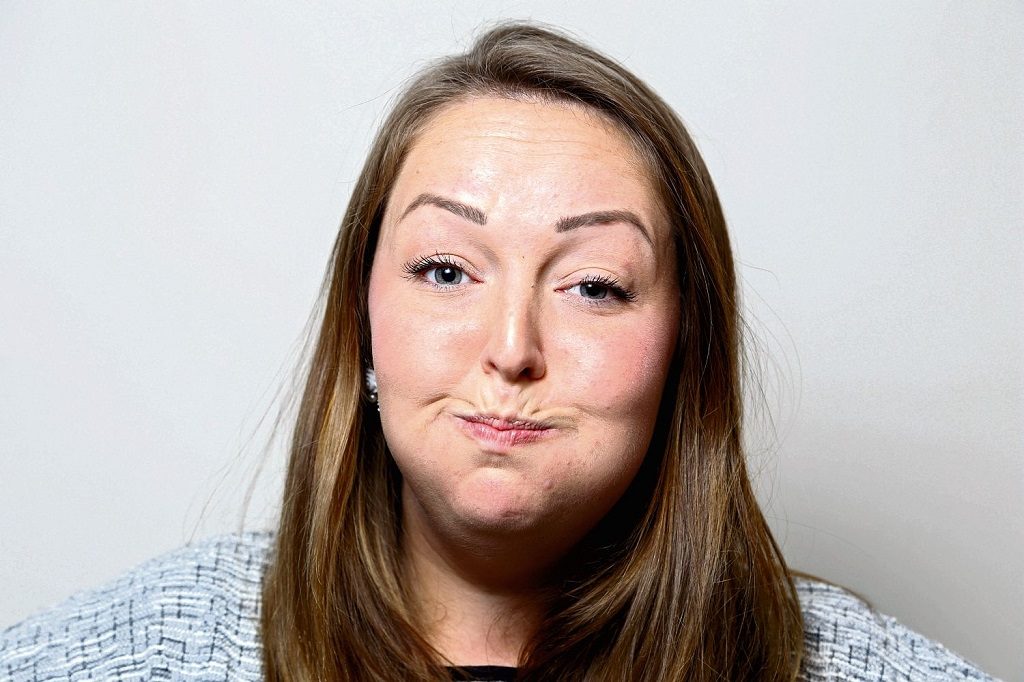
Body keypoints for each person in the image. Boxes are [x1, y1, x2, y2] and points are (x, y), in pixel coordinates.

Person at [0, 22, 996, 682]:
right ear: (362, 319)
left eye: (594, 285)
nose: (512, 348)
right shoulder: (122, 655)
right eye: (446, 270)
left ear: (684, 350)